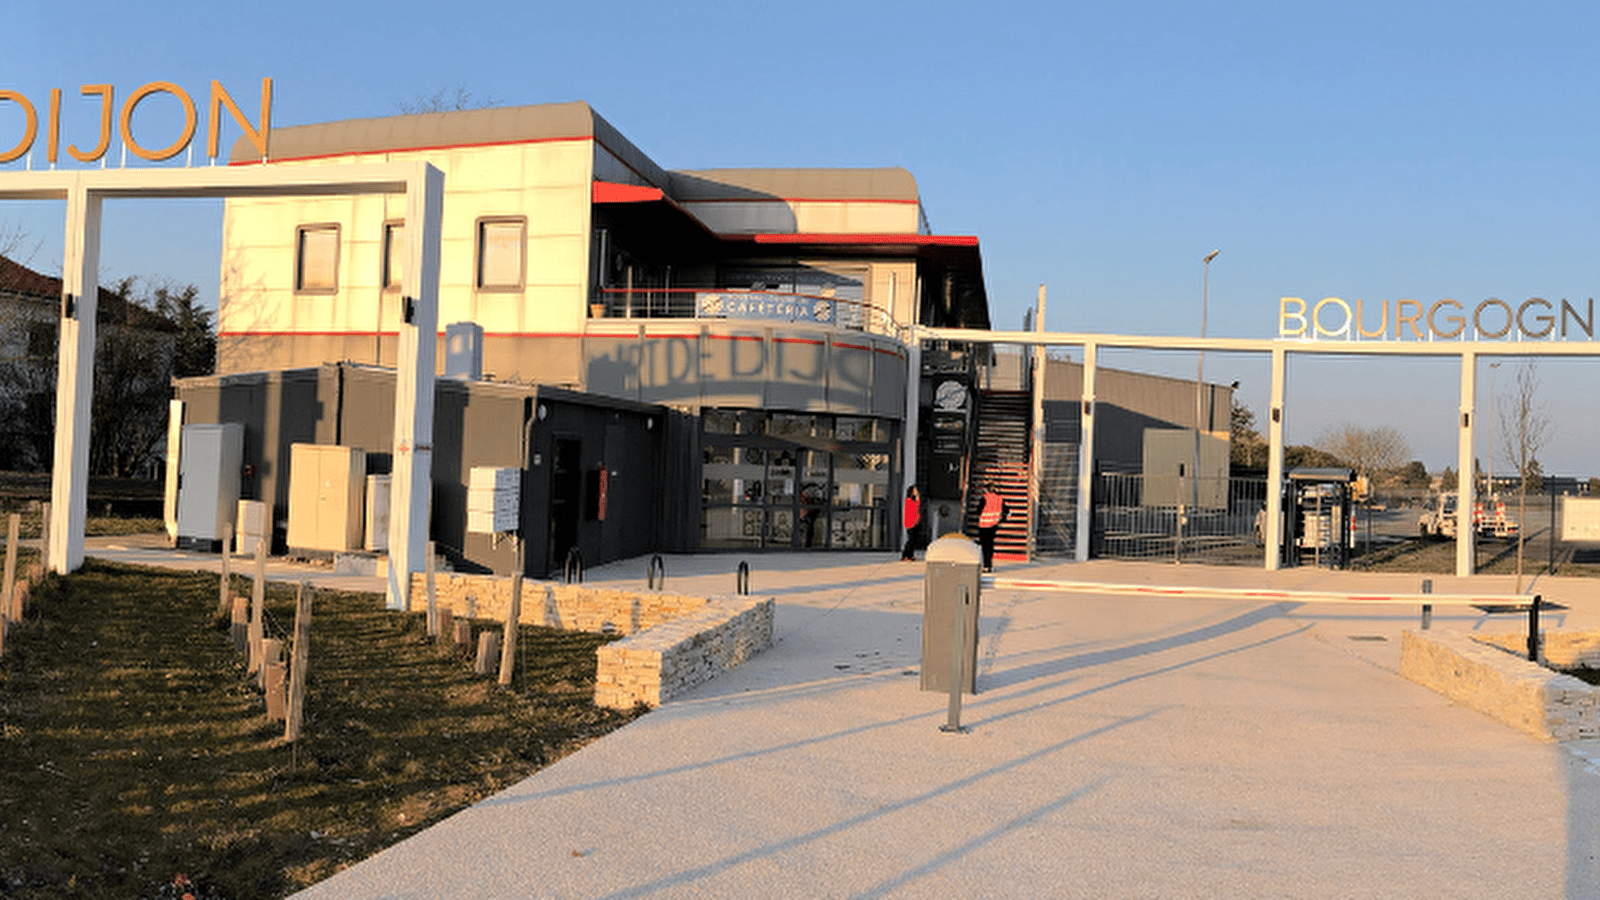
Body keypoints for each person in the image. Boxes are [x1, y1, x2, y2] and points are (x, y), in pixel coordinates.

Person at [975, 481, 1006, 571]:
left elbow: (978, 510)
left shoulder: (984, 498)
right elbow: (1006, 510)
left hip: (984, 525)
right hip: (994, 524)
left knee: (985, 546)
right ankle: (989, 564)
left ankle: (986, 565)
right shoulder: (1000, 498)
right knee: (990, 544)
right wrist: (1001, 519)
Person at [901, 485, 927, 560]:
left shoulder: (914, 500)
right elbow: (914, 509)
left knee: (914, 541)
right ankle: (905, 555)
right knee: (910, 540)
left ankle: (910, 555)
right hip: (910, 523)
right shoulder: (908, 500)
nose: (917, 492)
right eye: (915, 490)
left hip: (916, 522)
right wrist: (918, 500)